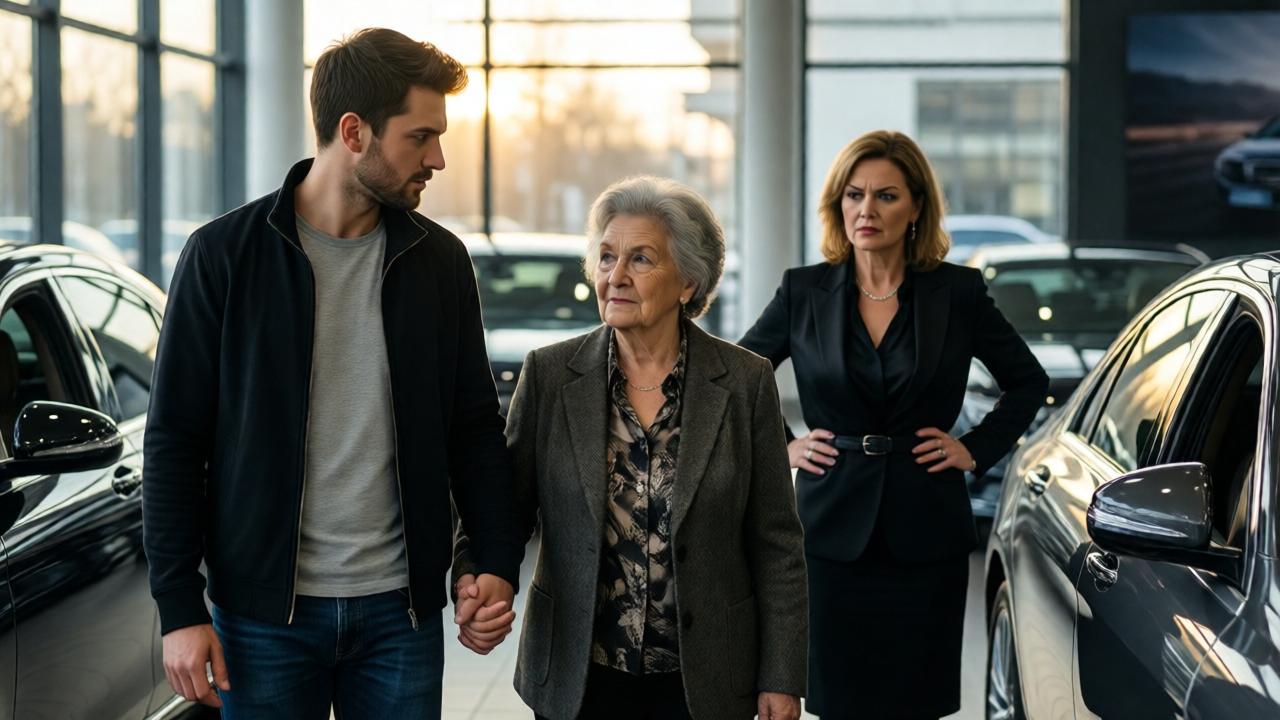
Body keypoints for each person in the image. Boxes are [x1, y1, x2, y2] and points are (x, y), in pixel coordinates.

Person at [142, 28, 523, 719]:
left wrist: (493, 559)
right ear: (354, 131)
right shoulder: (223, 257)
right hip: (262, 622)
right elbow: (175, 439)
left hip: (399, 615)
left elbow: (473, 428)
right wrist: (178, 607)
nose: (437, 158)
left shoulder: (439, 262)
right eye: (420, 137)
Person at [452, 176, 808, 720]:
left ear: (688, 282)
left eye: (641, 260)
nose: (615, 276)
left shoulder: (744, 381)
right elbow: (503, 507)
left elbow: (776, 541)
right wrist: (474, 577)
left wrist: (781, 674)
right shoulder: (549, 375)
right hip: (579, 675)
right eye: (606, 257)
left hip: (708, 679)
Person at [739, 130, 1049, 719]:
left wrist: (975, 449)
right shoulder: (804, 291)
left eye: (885, 196)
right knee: (837, 699)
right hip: (829, 532)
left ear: (915, 209)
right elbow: (737, 379)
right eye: (853, 195)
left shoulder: (955, 293)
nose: (866, 210)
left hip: (926, 528)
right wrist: (785, 447)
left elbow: (1027, 380)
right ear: (838, 205)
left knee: (915, 700)